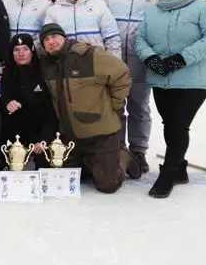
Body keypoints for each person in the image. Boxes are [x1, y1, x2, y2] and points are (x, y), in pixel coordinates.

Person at [134, 0, 206, 198]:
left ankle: (168, 174)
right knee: (170, 124)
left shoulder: (202, 7)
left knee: (177, 125)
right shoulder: (152, 11)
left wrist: (180, 59)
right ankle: (181, 168)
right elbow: (139, 38)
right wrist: (150, 58)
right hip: (161, 78)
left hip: (192, 79)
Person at [39, 23, 141, 193]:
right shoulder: (47, 64)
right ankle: (89, 161)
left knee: (108, 184)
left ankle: (123, 155)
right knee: (68, 177)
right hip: (71, 137)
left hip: (101, 135)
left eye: (54, 36)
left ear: (64, 37)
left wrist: (115, 104)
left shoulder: (90, 55)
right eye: (46, 40)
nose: (51, 42)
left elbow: (122, 73)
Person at [97, 0, 159, 173]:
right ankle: (118, 148)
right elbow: (99, 23)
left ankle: (139, 150)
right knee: (115, 107)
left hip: (140, 62)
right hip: (113, 63)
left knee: (139, 107)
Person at [0, 34, 59, 169]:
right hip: (16, 132)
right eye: (16, 50)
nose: (21, 54)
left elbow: (51, 111)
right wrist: (7, 103)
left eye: (25, 49)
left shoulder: (43, 73)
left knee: (45, 167)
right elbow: (2, 98)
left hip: (40, 129)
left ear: (32, 50)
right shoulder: (8, 73)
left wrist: (44, 139)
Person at [43, 0, 121, 58]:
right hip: (66, 65)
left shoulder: (99, 7)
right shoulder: (53, 11)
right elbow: (49, 41)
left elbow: (112, 39)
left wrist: (114, 66)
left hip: (95, 64)